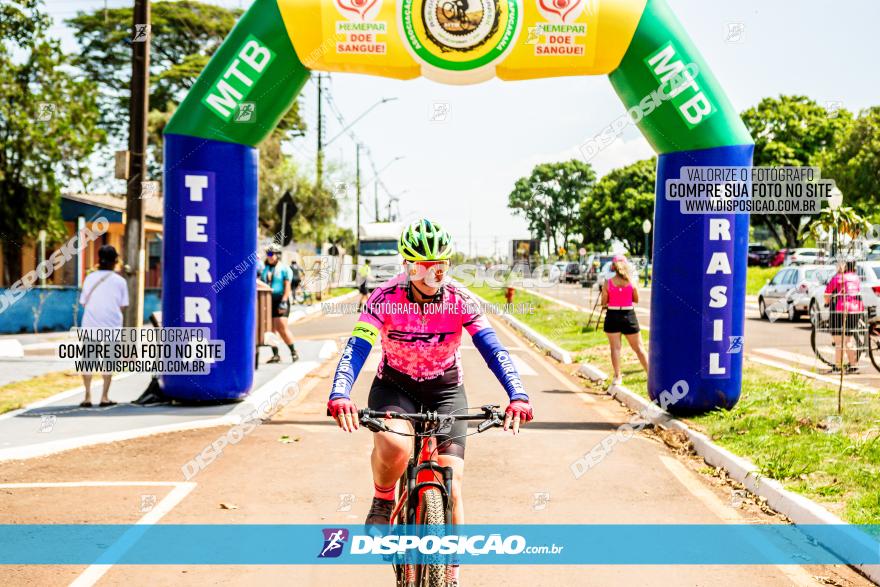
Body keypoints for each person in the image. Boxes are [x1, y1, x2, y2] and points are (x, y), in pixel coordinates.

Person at [327, 219, 533, 587]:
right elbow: (356, 349)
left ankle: (450, 573)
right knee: (394, 446)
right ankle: (383, 498)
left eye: (439, 266)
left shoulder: (461, 299)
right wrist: (340, 392)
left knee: (453, 487)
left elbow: (493, 349)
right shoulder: (383, 298)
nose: (431, 274)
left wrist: (518, 394)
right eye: (421, 266)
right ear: (407, 266)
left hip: (445, 390)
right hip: (395, 386)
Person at [78, 245, 128, 407]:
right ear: (115, 261)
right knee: (109, 360)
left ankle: (87, 396)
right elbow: (123, 305)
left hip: (90, 325)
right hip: (112, 327)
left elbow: (84, 303)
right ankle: (104, 397)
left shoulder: (89, 278)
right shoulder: (120, 281)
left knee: (88, 360)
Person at [601, 254, 648, 386]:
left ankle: (617, 377)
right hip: (628, 314)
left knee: (615, 348)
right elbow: (636, 299)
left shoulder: (607, 282)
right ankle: (650, 374)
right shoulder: (632, 282)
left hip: (612, 315)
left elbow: (604, 302)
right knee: (639, 348)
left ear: (613, 267)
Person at [259, 244, 299, 363]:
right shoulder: (265, 268)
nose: (269, 256)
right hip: (268, 300)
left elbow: (287, 286)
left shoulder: (284, 268)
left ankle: (293, 351)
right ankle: (276, 354)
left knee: (281, 327)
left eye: (271, 254)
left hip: (281, 300)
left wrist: (284, 301)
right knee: (270, 330)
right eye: (268, 254)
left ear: (277, 255)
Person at [824, 257, 864, 373]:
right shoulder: (855, 278)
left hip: (840, 310)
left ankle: (838, 367)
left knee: (838, 341)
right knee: (848, 339)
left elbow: (827, 294)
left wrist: (826, 303)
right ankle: (853, 365)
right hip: (856, 309)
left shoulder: (838, 278)